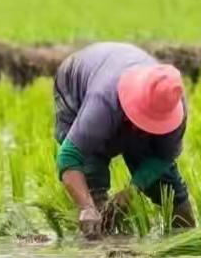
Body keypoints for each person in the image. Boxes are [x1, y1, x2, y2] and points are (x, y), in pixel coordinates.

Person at [54, 42, 195, 239]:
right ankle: (97, 251)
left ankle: (186, 236)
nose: (143, 127)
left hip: (119, 73)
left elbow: (163, 158)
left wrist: (132, 190)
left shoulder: (173, 104)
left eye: (152, 123)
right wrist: (86, 207)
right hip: (77, 78)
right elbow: (69, 156)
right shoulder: (103, 101)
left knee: (168, 185)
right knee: (92, 170)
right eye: (144, 120)